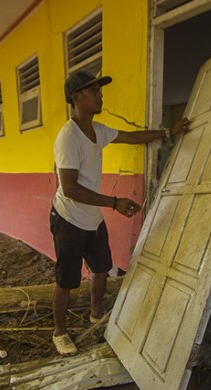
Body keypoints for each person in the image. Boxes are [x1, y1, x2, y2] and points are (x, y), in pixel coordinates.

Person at [50, 70, 189, 355]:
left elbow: (130, 136)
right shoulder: (68, 137)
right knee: (66, 280)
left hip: (92, 218)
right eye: (94, 90)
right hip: (69, 219)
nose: (101, 95)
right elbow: (70, 189)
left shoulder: (97, 130)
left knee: (101, 269)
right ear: (77, 97)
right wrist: (114, 202)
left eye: (100, 90)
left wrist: (166, 132)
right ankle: (60, 332)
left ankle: (95, 313)